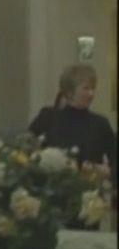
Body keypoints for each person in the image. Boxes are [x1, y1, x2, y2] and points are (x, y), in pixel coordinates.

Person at [28, 63, 117, 230]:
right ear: (69, 92)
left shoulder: (100, 124)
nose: (91, 94)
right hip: (50, 204)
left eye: (93, 88)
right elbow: (25, 151)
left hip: (87, 207)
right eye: (86, 88)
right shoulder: (48, 118)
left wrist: (106, 171)